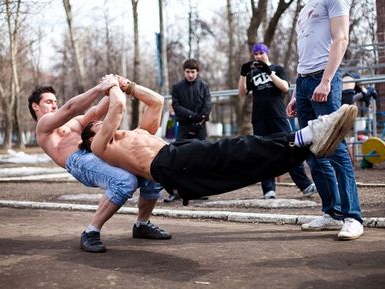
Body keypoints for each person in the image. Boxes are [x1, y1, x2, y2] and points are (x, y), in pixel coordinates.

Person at [80, 78, 358, 211]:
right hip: (167, 165)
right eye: (96, 125)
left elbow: (157, 101)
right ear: (92, 136)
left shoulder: (137, 133)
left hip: (176, 159)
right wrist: (112, 86)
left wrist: (127, 85)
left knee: (244, 165)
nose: (102, 123)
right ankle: (308, 136)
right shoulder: (100, 147)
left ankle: (307, 143)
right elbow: (116, 107)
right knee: (235, 149)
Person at [28, 76, 171, 253]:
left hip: (97, 152)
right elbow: (70, 108)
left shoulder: (74, 123)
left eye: (55, 101)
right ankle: (91, 232)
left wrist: (113, 85)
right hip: (78, 161)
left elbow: (96, 112)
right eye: (49, 102)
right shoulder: (43, 125)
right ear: (36, 106)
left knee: (150, 170)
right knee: (125, 181)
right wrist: (98, 88)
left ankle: (142, 225)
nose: (54, 105)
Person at [286, 0, 364, 240]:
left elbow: (341, 39)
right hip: (304, 81)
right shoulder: (305, 7)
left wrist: (327, 80)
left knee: (335, 148)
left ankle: (353, 217)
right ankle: (331, 213)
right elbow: (305, 53)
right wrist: (296, 94)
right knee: (313, 151)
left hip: (324, 77)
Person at [239, 42, 317, 199]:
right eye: (256, 54)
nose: (258, 56)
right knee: (263, 153)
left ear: (267, 53)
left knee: (290, 149)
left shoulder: (277, 69)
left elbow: (285, 88)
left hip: (278, 116)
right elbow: (242, 92)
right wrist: (243, 74)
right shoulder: (252, 74)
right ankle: (268, 190)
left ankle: (305, 185)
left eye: (261, 53)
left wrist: (269, 73)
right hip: (259, 118)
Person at [165, 58, 212, 202]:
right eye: (187, 71)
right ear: (184, 72)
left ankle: (199, 190)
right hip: (184, 127)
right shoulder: (177, 87)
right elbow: (177, 106)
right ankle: (177, 191)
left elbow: (207, 105)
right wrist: (192, 117)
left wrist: (199, 120)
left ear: (197, 72)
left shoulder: (204, 86)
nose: (190, 74)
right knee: (180, 159)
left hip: (200, 127)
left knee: (201, 159)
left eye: (193, 71)